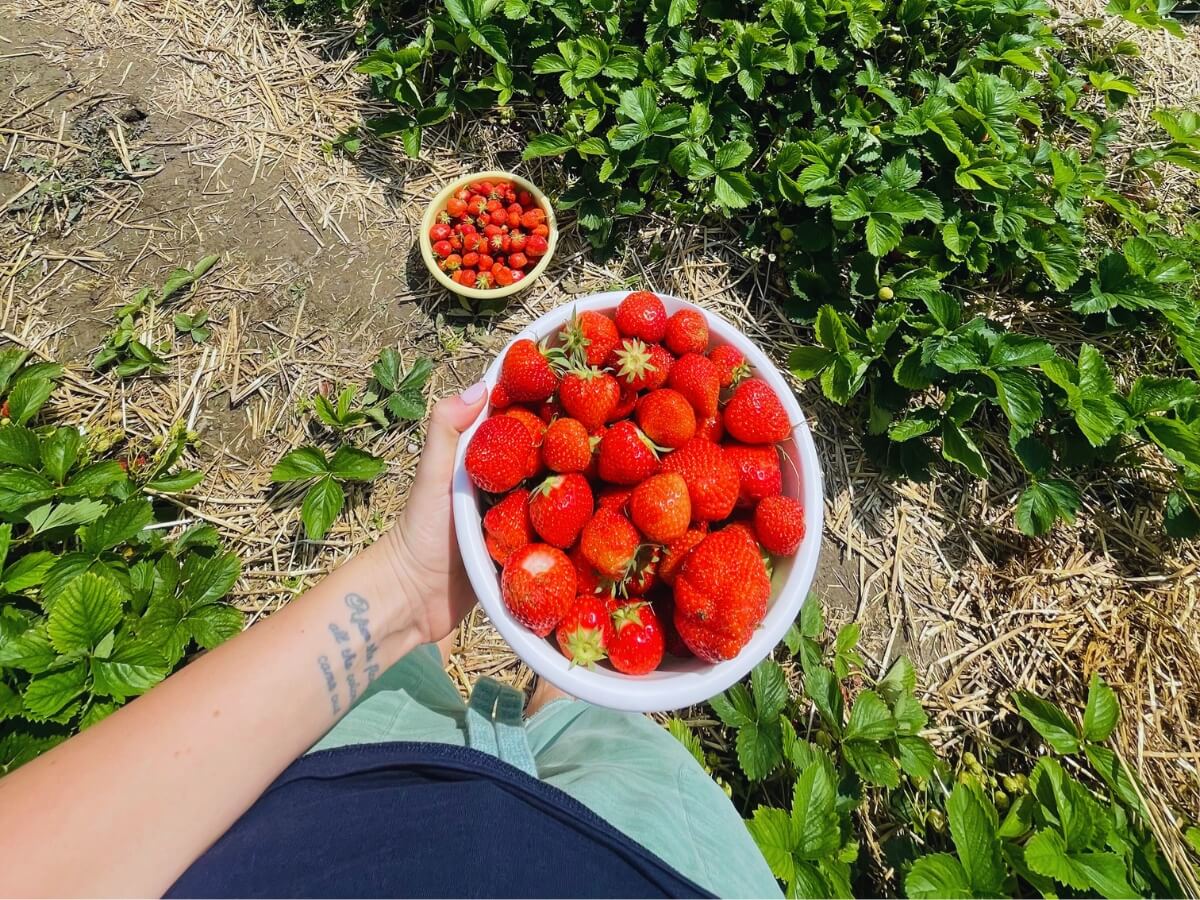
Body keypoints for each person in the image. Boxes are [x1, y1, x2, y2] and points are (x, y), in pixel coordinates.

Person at [0, 383, 781, 899]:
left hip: (340, 787)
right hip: (658, 856)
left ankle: (568, 660)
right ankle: (570, 682)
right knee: (599, 719)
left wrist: (408, 593)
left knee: (424, 670)